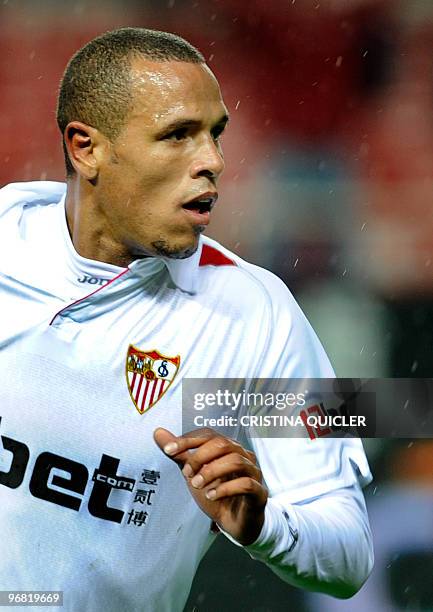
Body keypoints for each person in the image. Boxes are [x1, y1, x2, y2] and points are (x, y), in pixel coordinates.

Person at [0, 27, 373, 611]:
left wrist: (263, 526)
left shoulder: (252, 317)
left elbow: (348, 555)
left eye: (215, 135)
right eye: (177, 135)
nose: (213, 162)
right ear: (85, 148)